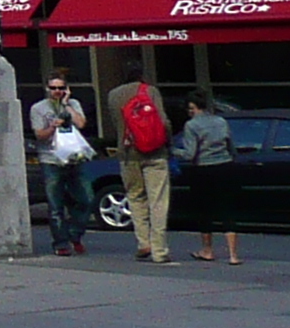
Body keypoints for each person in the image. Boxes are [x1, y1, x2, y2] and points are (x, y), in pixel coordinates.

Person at [107, 58, 175, 265]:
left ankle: (143, 242)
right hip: (155, 153)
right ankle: (159, 249)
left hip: (128, 155)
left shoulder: (113, 95)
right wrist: (168, 142)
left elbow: (116, 125)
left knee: (136, 198)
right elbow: (163, 122)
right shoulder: (150, 91)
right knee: (158, 200)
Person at [28, 73, 92, 256]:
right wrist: (53, 126)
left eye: (61, 88)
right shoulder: (38, 108)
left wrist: (66, 105)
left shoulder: (73, 104)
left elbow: (81, 123)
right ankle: (61, 243)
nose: (57, 91)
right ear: (47, 89)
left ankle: (75, 234)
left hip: (74, 158)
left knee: (85, 199)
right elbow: (39, 135)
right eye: (53, 88)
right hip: (51, 159)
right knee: (55, 205)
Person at [176, 92, 242, 267]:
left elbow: (190, 154)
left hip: (203, 169)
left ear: (193, 108)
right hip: (225, 166)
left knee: (205, 210)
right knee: (227, 209)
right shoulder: (221, 121)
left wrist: (173, 151)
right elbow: (232, 148)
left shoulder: (191, 126)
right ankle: (233, 255)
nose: (189, 112)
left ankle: (207, 250)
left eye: (190, 108)